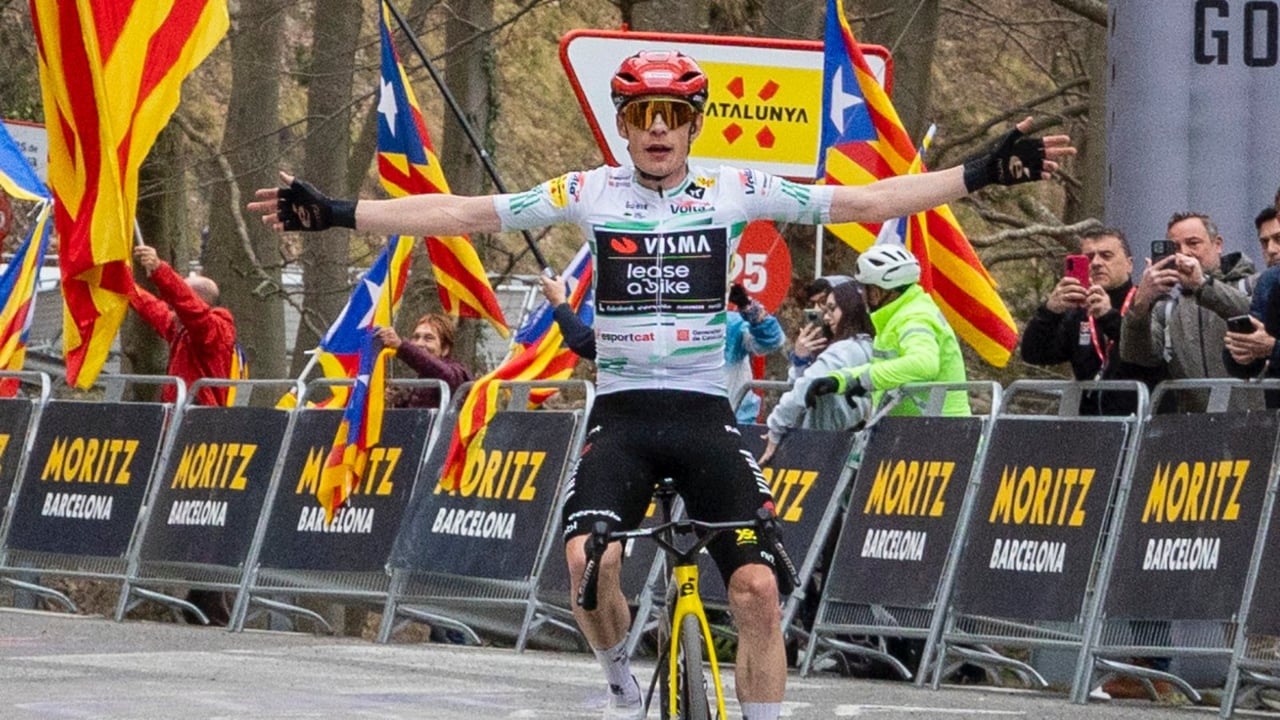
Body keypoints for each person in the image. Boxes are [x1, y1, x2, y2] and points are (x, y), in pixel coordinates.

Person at [248, 49, 1073, 720]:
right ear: (624, 124)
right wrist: (340, 213)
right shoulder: (589, 191)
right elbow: (463, 212)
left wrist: (978, 173)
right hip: (623, 415)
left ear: (692, 124)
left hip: (705, 413)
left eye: (672, 115)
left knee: (755, 588)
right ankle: (619, 688)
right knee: (586, 562)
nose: (657, 130)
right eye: (642, 115)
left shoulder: (734, 187)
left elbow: (865, 199)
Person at [128, 242, 238, 625]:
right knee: (191, 518)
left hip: (204, 437)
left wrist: (160, 271)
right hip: (180, 434)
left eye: (180, 299)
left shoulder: (216, 328)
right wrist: (122, 283)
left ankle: (211, 599)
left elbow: (189, 311)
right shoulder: (182, 329)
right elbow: (155, 309)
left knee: (203, 517)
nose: (172, 308)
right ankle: (203, 599)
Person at [806, 245, 970, 417]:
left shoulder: (915, 317)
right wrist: (842, 380)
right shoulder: (898, 315)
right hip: (915, 425)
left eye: (864, 289)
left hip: (940, 427)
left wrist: (862, 380)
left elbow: (924, 363)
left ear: (877, 292)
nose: (862, 296)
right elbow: (886, 369)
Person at [1119, 211, 1255, 412]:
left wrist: (1202, 285)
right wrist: (1140, 305)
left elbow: (1257, 317)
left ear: (1217, 244)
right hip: (1194, 423)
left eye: (1193, 243)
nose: (1184, 253)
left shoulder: (1251, 285)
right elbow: (1138, 356)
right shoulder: (1167, 307)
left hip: (1257, 421)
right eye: (1175, 248)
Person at [1020, 229, 1166, 415]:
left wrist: (1108, 317)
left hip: (1142, 420)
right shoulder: (1078, 313)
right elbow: (1033, 354)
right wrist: (1050, 312)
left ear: (1129, 265)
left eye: (1106, 256)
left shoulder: (1148, 305)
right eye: (1089, 258)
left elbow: (1149, 353)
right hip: (1091, 424)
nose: (1096, 263)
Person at [759, 279, 872, 465]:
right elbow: (801, 386)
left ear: (850, 306)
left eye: (829, 307)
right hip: (845, 443)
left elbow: (802, 389)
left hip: (827, 445)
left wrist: (775, 428)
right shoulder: (865, 344)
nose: (824, 316)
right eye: (819, 307)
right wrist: (801, 360)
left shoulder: (844, 350)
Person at [375, 313, 472, 409]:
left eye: (428, 338)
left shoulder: (457, 374)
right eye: (416, 337)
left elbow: (442, 372)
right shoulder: (419, 382)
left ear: (445, 349)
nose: (419, 343)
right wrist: (401, 401)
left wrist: (401, 346)